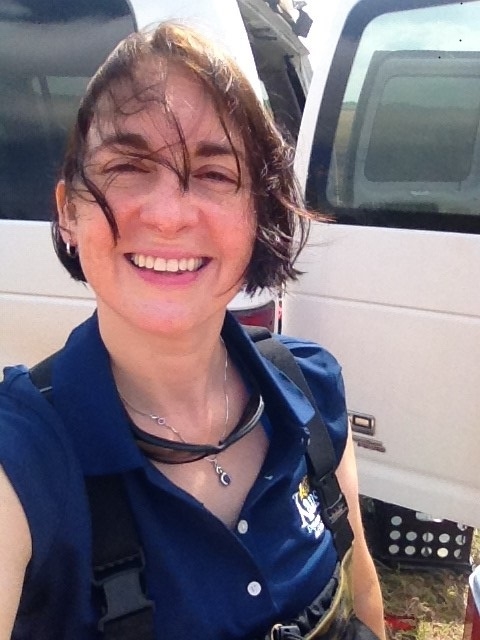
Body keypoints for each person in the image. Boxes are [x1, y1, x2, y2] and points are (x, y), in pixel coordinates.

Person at [0, 22, 385, 640]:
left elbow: (361, 586)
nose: (172, 216)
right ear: (68, 211)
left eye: (213, 174)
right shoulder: (23, 458)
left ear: (257, 214)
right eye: (128, 165)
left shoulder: (308, 388)